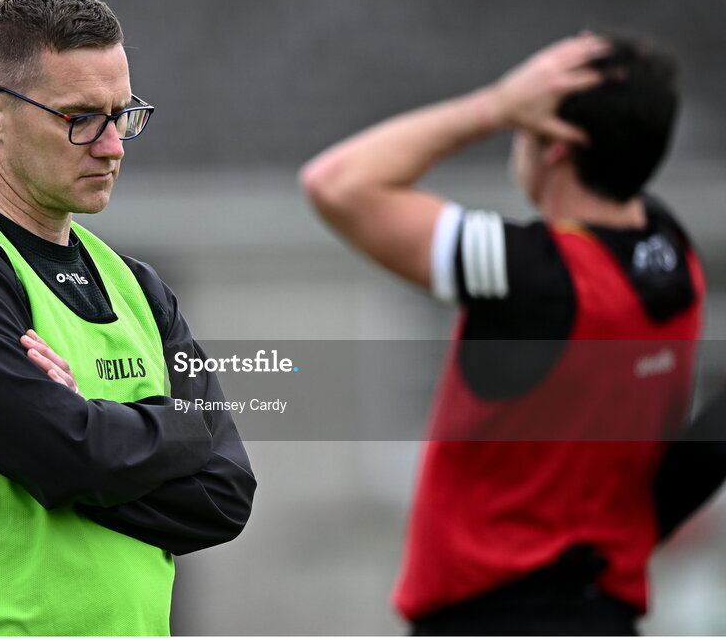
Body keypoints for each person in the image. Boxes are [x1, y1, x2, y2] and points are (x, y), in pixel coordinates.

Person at [0, 0, 255, 636]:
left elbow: (224, 498)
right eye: (79, 118)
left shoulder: (138, 286)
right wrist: (175, 429)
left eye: (123, 115)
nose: (112, 147)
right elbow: (71, 457)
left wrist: (88, 436)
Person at [301, 33, 705, 634]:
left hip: (497, 616)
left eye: (526, 122)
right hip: (607, 613)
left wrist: (492, 105)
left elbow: (336, 182)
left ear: (557, 149)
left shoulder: (538, 278)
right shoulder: (674, 254)